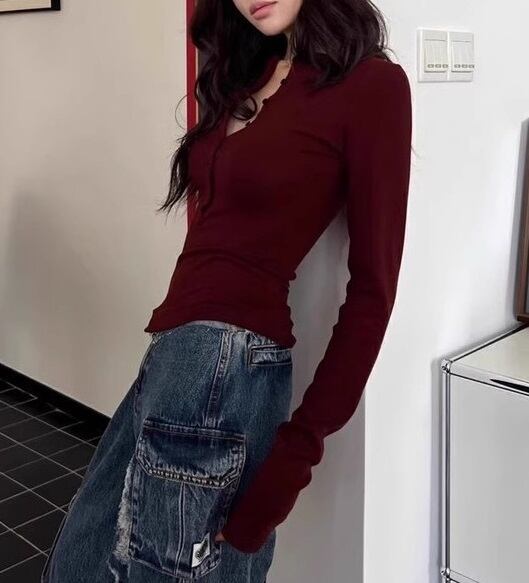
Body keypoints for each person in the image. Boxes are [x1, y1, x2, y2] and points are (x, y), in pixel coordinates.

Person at [41, 0, 413, 581]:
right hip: (174, 356)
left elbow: (374, 291)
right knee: (77, 564)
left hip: (228, 366)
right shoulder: (248, 73)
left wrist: (295, 457)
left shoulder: (371, 85)